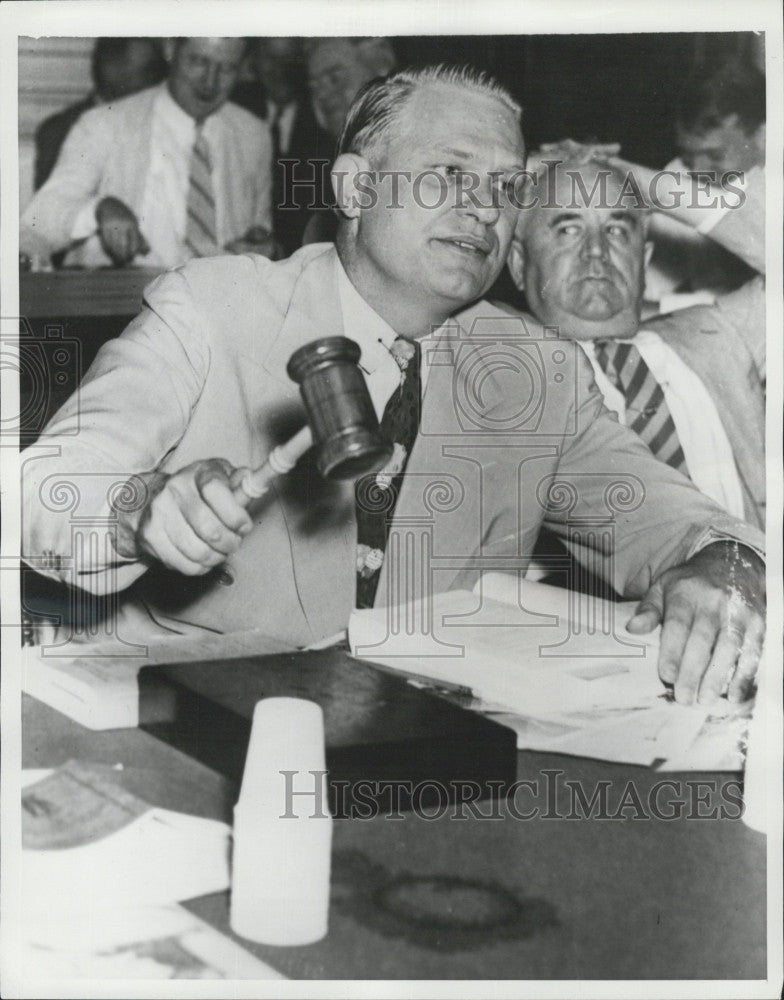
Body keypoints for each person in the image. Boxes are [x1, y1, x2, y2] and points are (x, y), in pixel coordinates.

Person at [22, 65, 765, 708]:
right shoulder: (210, 307)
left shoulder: (537, 371)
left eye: (507, 189)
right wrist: (137, 508)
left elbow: (692, 528)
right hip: (186, 728)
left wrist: (722, 570)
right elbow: (44, 489)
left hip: (422, 760)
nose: (484, 208)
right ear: (354, 186)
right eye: (450, 174)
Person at [506, 154, 765, 532]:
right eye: (568, 229)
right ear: (517, 263)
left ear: (643, 259)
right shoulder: (500, 380)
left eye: (616, 230)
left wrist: (638, 178)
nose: (596, 250)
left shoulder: (717, 335)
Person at [21, 37, 276, 269]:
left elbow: (260, 228)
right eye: (198, 61)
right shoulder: (103, 125)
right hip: (125, 311)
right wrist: (101, 208)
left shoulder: (254, 134)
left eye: (227, 68)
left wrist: (262, 245)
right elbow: (39, 222)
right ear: (170, 49)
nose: (210, 82)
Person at [645, 58, 765, 303]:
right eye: (689, 154)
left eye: (715, 155)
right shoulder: (677, 175)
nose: (698, 172)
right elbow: (651, 292)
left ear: (763, 135)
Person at [232, 37, 334, 256]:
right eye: (271, 58)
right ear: (255, 61)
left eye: (290, 59)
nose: (281, 70)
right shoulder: (234, 107)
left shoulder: (324, 119)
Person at [34, 38, 167, 191]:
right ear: (113, 69)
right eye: (150, 70)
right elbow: (53, 208)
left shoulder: (165, 121)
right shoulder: (59, 131)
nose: (162, 80)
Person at [300, 37, 398, 245]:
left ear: (380, 68)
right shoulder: (315, 169)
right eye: (314, 87)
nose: (323, 95)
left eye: (334, 78)